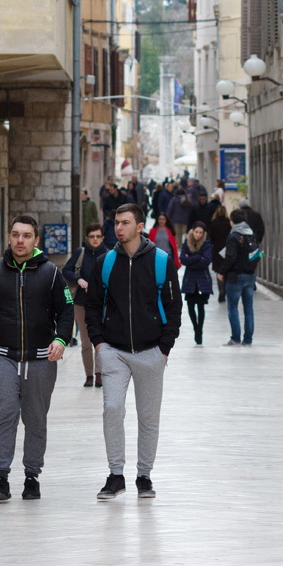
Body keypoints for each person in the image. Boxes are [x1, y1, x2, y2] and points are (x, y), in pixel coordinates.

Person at [0, 215, 74, 501]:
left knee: (36, 419)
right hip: (3, 357)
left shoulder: (51, 273)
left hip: (41, 359)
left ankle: (32, 476)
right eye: (15, 235)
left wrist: (61, 340)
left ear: (36, 240)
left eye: (26, 236)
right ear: (9, 237)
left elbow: (66, 309)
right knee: (3, 416)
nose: (20, 240)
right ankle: (1, 478)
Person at [85, 203, 182, 500]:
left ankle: (144, 476)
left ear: (140, 226)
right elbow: (92, 306)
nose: (118, 228)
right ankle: (116, 475)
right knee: (112, 409)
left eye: (125, 223)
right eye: (116, 222)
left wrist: (165, 347)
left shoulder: (161, 261)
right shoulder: (105, 262)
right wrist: (99, 344)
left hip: (151, 350)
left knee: (148, 417)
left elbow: (174, 305)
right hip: (114, 350)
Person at [62, 223, 111, 387]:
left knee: (101, 340)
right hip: (81, 303)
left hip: (102, 304)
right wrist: (78, 279)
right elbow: (66, 270)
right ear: (87, 238)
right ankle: (89, 375)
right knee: (85, 341)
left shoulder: (109, 255)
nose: (95, 239)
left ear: (103, 238)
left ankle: (99, 374)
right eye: (92, 236)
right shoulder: (80, 253)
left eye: (98, 236)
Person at [217, 208, 260, 346]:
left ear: (232, 221)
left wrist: (221, 272)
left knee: (233, 307)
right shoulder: (251, 234)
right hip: (250, 276)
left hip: (235, 276)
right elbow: (257, 254)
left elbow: (231, 257)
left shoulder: (234, 236)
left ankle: (235, 338)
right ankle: (248, 339)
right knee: (249, 308)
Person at [179, 221, 214, 345]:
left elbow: (206, 261)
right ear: (192, 231)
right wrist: (197, 257)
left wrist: (191, 259)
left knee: (200, 306)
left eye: (200, 232)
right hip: (190, 280)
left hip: (202, 280)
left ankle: (199, 330)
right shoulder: (186, 243)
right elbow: (183, 259)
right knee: (190, 306)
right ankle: (195, 327)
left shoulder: (207, 244)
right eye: (196, 232)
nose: (198, 235)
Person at [207, 203, 232, 304]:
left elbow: (210, 238)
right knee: (226, 270)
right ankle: (225, 290)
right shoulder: (228, 223)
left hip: (217, 250)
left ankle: (221, 290)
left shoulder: (213, 223)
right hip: (227, 249)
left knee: (219, 271)